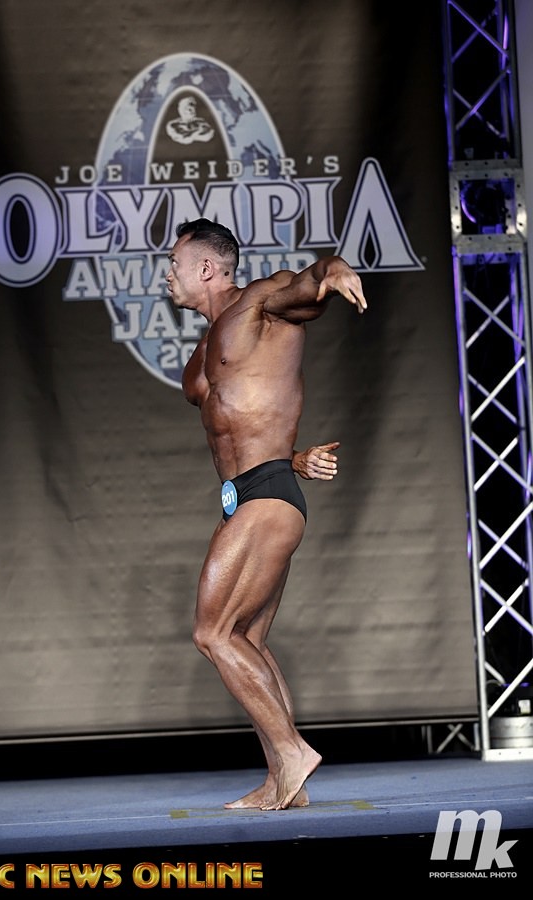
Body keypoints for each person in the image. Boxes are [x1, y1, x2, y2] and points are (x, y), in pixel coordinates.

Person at [166, 218, 367, 810]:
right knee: (247, 637)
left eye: (175, 263)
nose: (167, 274)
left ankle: (293, 751)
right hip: (254, 491)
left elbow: (309, 283)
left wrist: (334, 270)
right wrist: (295, 457)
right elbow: (255, 412)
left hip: (267, 497)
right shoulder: (205, 348)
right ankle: (285, 780)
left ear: (206, 267)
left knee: (212, 633)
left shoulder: (258, 302)